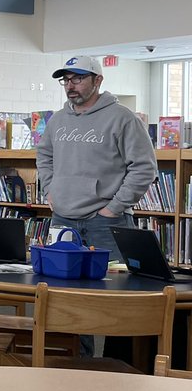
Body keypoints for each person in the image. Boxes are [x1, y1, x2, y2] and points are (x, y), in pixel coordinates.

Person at [37, 55, 156, 258]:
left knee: (111, 285)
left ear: (98, 80)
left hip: (106, 221)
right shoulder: (57, 120)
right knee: (61, 283)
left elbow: (144, 168)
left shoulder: (122, 118)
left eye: (77, 79)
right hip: (62, 220)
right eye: (66, 80)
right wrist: (50, 190)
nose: (70, 86)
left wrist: (114, 208)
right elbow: (44, 156)